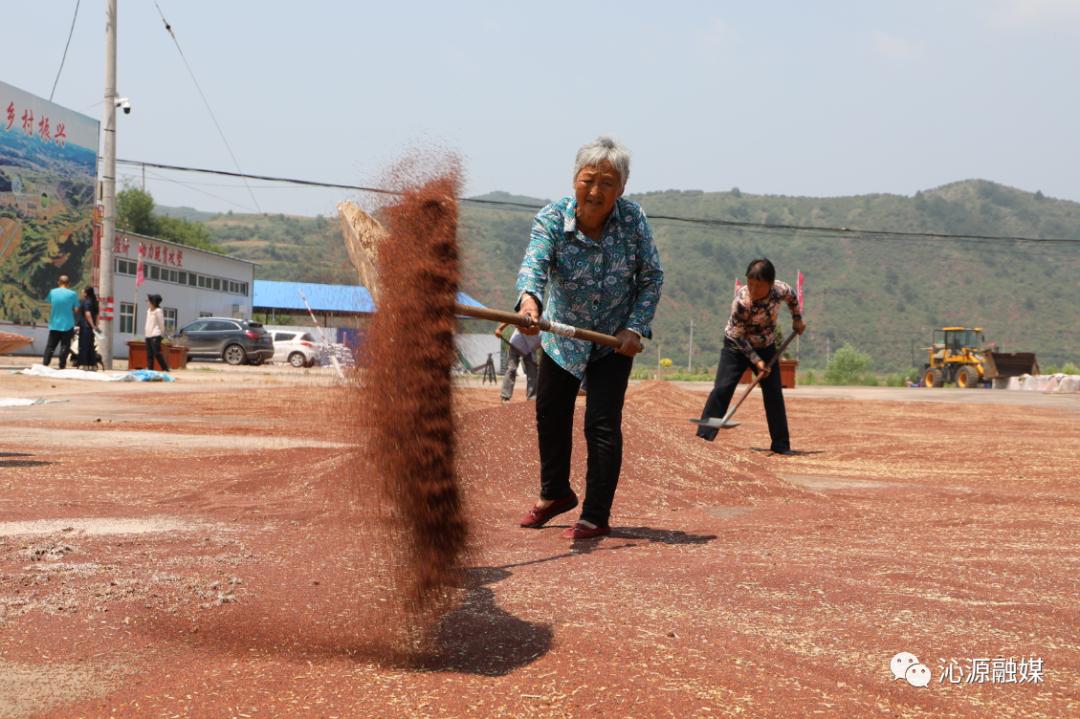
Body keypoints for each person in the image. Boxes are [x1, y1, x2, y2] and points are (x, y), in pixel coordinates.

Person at [516, 136, 664, 540]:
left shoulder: (633, 221)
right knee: (550, 413)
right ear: (574, 179)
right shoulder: (551, 218)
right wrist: (529, 303)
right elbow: (535, 265)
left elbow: (651, 277)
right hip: (563, 335)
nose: (595, 191)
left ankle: (595, 515)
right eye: (588, 180)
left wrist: (634, 328)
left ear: (622, 188)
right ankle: (555, 495)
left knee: (602, 423)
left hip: (613, 340)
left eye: (607, 183)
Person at [696, 258, 805, 454]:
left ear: (770, 285)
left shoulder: (780, 290)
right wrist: (757, 360)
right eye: (750, 284)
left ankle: (781, 445)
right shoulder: (741, 302)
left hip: (766, 345)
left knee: (773, 394)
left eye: (758, 286)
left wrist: (797, 319)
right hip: (736, 346)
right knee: (722, 389)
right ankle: (703, 437)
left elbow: (793, 299)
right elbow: (738, 337)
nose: (753, 290)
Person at [494, 321, 540, 402]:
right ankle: (505, 397)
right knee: (512, 369)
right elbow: (510, 318)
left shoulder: (546, 330)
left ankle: (532, 399)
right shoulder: (529, 316)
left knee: (533, 372)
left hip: (530, 349)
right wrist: (499, 329)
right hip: (516, 344)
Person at [42, 275, 79, 369]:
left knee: (51, 345)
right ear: (68, 283)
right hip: (68, 324)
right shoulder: (73, 294)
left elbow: (48, 303)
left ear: (58, 282)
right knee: (65, 346)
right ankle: (62, 365)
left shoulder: (52, 292)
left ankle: (45, 363)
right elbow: (76, 310)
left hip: (54, 323)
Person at [75, 287, 100, 370]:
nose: (82, 293)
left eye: (83, 291)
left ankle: (83, 365)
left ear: (86, 293)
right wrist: (95, 326)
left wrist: (92, 325)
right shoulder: (95, 302)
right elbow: (97, 315)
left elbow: (87, 314)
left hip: (85, 326)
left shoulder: (86, 302)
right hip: (91, 327)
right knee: (90, 346)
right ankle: (92, 365)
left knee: (83, 346)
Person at [144, 294, 170, 372]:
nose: (147, 302)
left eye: (148, 301)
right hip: (148, 335)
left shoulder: (158, 311)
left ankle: (165, 368)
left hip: (156, 334)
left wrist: (161, 334)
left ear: (153, 302)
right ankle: (150, 370)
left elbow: (161, 324)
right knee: (149, 354)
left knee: (157, 352)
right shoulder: (148, 311)